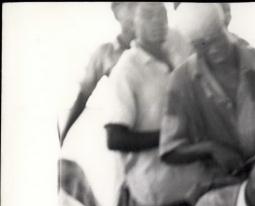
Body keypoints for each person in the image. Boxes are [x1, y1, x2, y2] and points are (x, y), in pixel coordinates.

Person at [105, 1, 204, 206]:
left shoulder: (179, 46)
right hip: (154, 188)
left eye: (161, 13)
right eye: (148, 15)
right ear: (132, 21)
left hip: (193, 181)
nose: (158, 21)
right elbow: (115, 138)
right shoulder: (127, 70)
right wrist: (171, 136)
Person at [161, 4, 255, 196]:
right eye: (202, 45)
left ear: (225, 24)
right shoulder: (182, 81)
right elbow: (170, 151)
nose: (213, 49)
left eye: (217, 39)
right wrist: (211, 148)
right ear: (192, 46)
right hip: (217, 190)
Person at [59, 2, 191, 144]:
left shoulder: (167, 40)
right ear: (116, 12)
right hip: (131, 129)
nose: (134, 9)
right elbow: (82, 99)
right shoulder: (106, 54)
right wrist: (63, 139)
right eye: (129, 5)